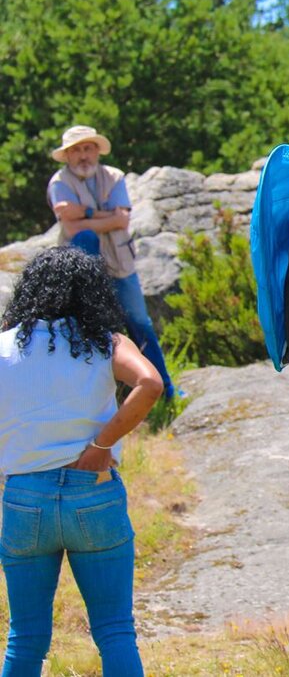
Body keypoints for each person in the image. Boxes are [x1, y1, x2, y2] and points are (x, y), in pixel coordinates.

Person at [1, 246, 162, 676]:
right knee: (114, 632)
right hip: (92, 491)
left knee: (25, 638)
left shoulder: (3, 347)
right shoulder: (105, 343)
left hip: (24, 497)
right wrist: (102, 443)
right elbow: (150, 382)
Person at [47, 125, 176, 400]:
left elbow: (122, 219)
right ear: (67, 156)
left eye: (88, 148)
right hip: (82, 271)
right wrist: (104, 216)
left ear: (97, 151)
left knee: (140, 323)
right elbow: (71, 229)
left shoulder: (113, 177)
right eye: (77, 150)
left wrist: (85, 215)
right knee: (89, 328)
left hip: (120, 262)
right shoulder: (60, 183)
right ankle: (101, 398)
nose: (84, 156)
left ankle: (165, 390)